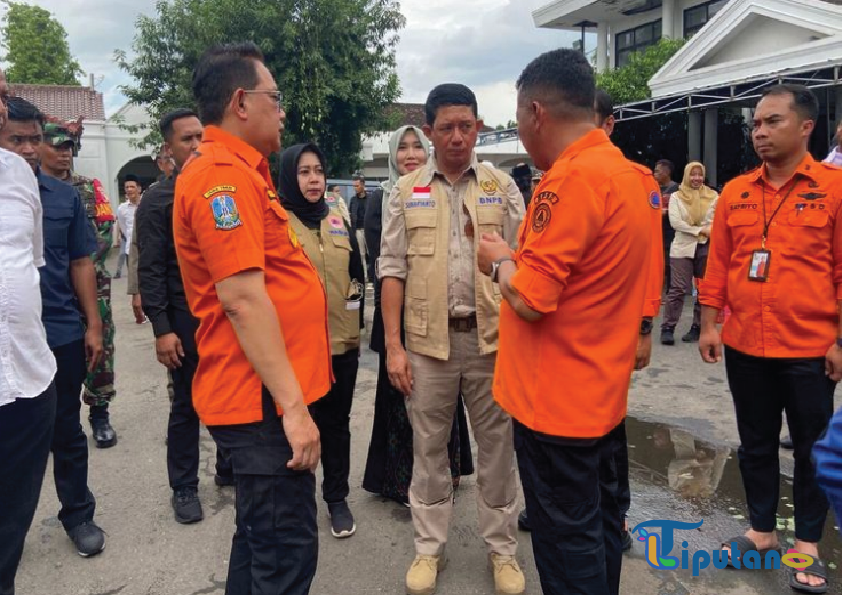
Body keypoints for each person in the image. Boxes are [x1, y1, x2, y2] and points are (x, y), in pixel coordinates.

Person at [478, 49, 657, 594]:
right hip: (599, 393)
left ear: (536, 112)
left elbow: (532, 298)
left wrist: (500, 259)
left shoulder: (570, 180)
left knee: (564, 538)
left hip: (554, 402)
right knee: (599, 524)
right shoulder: (632, 177)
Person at [173, 43, 330, 594]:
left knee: (261, 540)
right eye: (275, 98)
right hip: (258, 400)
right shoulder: (221, 177)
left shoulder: (244, 172)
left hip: (261, 393)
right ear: (241, 102)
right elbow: (241, 298)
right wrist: (293, 410)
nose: (282, 110)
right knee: (283, 554)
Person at [380, 83, 526, 595]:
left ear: (479, 127)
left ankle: (502, 551)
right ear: (430, 131)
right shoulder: (405, 191)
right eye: (447, 128)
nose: (458, 136)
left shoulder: (502, 187)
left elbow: (523, 262)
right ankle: (429, 549)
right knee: (429, 451)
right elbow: (392, 270)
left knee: (497, 452)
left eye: (467, 126)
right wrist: (394, 347)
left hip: (491, 342)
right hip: (428, 347)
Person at [699, 84, 841, 594]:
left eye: (772, 121)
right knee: (755, 443)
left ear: (806, 126)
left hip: (809, 348)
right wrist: (711, 323)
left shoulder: (834, 189)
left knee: (810, 449)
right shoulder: (735, 192)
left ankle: (807, 545)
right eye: (756, 123)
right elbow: (718, 266)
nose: (760, 132)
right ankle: (760, 532)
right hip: (745, 346)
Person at [0, 97, 106, 557]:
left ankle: (78, 513)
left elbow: (81, 262)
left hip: (57, 332)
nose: (27, 148)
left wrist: (94, 325)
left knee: (66, 431)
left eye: (33, 138)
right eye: (15, 139)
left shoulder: (63, 197)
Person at [362, 125, 475, 507]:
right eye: (403, 148)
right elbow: (386, 264)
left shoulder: (444, 192)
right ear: (393, 155)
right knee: (401, 402)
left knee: (445, 399)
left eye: (417, 148)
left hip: (440, 318)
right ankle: (400, 481)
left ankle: (448, 472)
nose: (410, 155)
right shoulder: (384, 199)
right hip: (399, 315)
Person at [136, 108, 233, 525]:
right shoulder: (159, 199)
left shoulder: (223, 189)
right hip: (185, 321)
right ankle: (184, 486)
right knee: (188, 407)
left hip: (228, 317)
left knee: (233, 398)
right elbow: (151, 268)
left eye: (201, 137)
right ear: (169, 150)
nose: (196, 146)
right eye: (186, 140)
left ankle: (229, 468)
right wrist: (162, 329)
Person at [278, 142, 364, 538]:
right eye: (303, 171)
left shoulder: (337, 217)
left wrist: (356, 328)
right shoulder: (277, 223)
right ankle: (298, 503)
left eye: (318, 170)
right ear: (289, 177)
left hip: (341, 345)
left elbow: (357, 276)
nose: (313, 179)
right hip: (297, 350)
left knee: (337, 426)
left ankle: (337, 498)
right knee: (298, 426)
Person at [0, 70, 61, 594]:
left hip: (26, 383)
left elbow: (31, 264)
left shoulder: (18, 178)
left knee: (8, 532)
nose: (0, 110)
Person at [40, 120, 118, 449]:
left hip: (93, 283)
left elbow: (105, 229)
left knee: (100, 348)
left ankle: (99, 414)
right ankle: (51, 421)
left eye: (68, 147)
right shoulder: (31, 189)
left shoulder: (88, 188)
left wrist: (79, 258)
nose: (64, 153)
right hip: (51, 288)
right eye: (57, 146)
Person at [661, 162, 718, 346]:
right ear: (687, 176)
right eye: (692, 174)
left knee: (704, 290)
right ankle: (668, 328)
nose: (696, 178)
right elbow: (676, 222)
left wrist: (703, 231)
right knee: (677, 288)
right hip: (682, 247)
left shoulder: (713, 196)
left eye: (699, 175)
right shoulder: (677, 197)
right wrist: (701, 230)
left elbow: (715, 220)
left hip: (705, 247)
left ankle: (696, 327)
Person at [654, 159, 680, 290]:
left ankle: (671, 293)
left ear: (667, 172)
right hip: (657, 233)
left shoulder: (676, 189)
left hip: (672, 234)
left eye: (657, 171)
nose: (655, 174)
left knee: (670, 265)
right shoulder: (652, 188)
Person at [115, 174, 141, 279]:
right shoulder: (122, 208)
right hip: (130, 250)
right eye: (127, 187)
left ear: (139, 189)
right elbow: (123, 228)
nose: (129, 190)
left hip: (146, 250)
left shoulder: (146, 204)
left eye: (132, 187)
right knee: (134, 284)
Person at [349, 174, 370, 281]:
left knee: (371, 252)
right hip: (357, 229)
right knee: (361, 253)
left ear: (362, 185)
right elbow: (350, 214)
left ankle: (372, 275)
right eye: (354, 186)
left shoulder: (370, 198)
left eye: (357, 186)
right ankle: (365, 276)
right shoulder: (353, 200)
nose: (355, 188)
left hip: (369, 230)